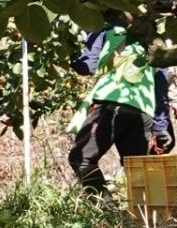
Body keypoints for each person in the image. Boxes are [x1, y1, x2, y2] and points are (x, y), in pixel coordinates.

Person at [69, 25, 171, 193]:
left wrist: (72, 54)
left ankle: (107, 212)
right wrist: (161, 125)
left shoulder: (106, 29)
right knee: (137, 170)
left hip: (112, 102)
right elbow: (161, 83)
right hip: (142, 110)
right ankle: (145, 215)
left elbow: (87, 66)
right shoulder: (153, 38)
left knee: (81, 158)